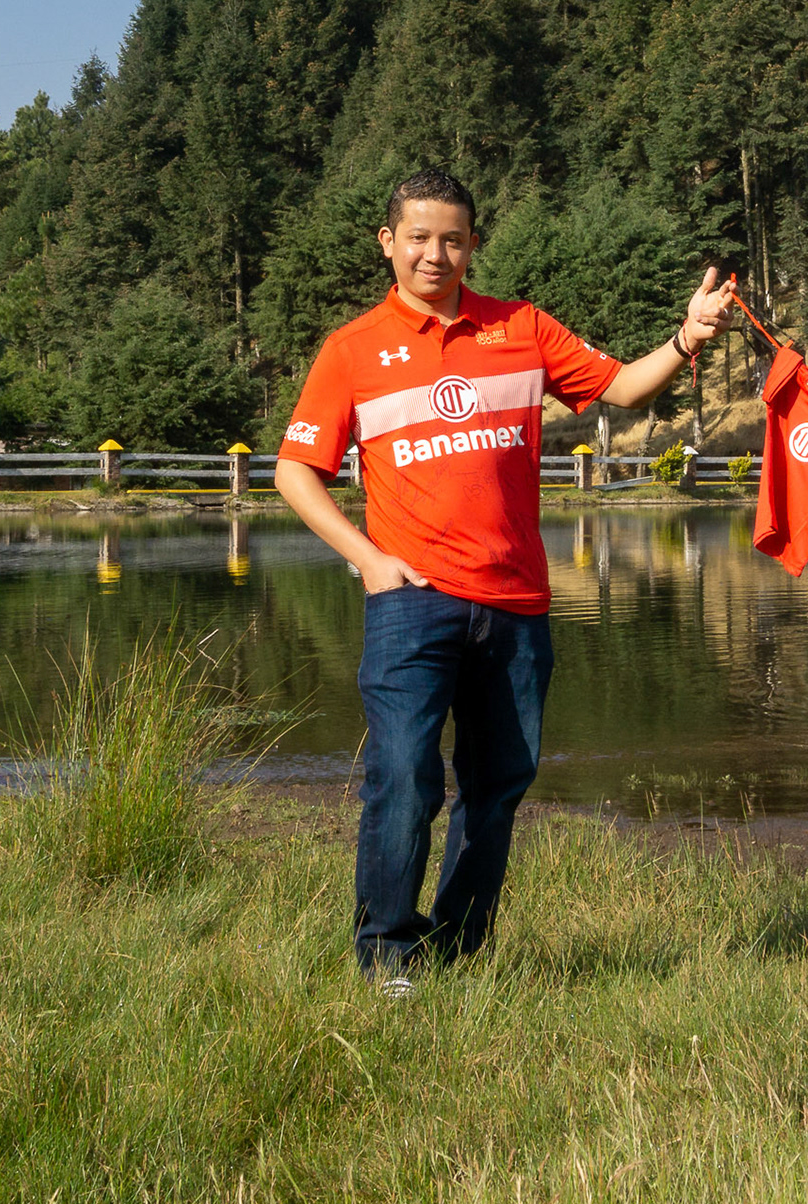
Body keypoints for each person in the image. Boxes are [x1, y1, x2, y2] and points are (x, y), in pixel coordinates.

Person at [275, 169, 734, 993]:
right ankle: (385, 953)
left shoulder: (520, 327)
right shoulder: (351, 351)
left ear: (474, 243)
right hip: (411, 600)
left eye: (452, 238)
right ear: (388, 242)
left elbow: (620, 387)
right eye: (417, 237)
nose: (434, 254)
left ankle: (455, 952)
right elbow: (295, 472)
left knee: (495, 791)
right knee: (405, 777)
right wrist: (368, 559)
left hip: (518, 603)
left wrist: (687, 337)